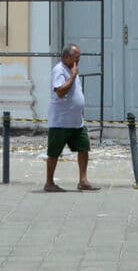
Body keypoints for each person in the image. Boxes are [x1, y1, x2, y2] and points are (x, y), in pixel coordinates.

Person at [44, 43, 96, 192]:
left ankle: (83, 180)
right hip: (61, 121)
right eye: (75, 58)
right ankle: (49, 182)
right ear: (66, 57)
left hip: (76, 121)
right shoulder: (59, 70)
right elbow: (60, 92)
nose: (78, 61)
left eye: (79, 58)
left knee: (83, 148)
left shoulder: (72, 69)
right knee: (54, 153)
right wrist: (73, 75)